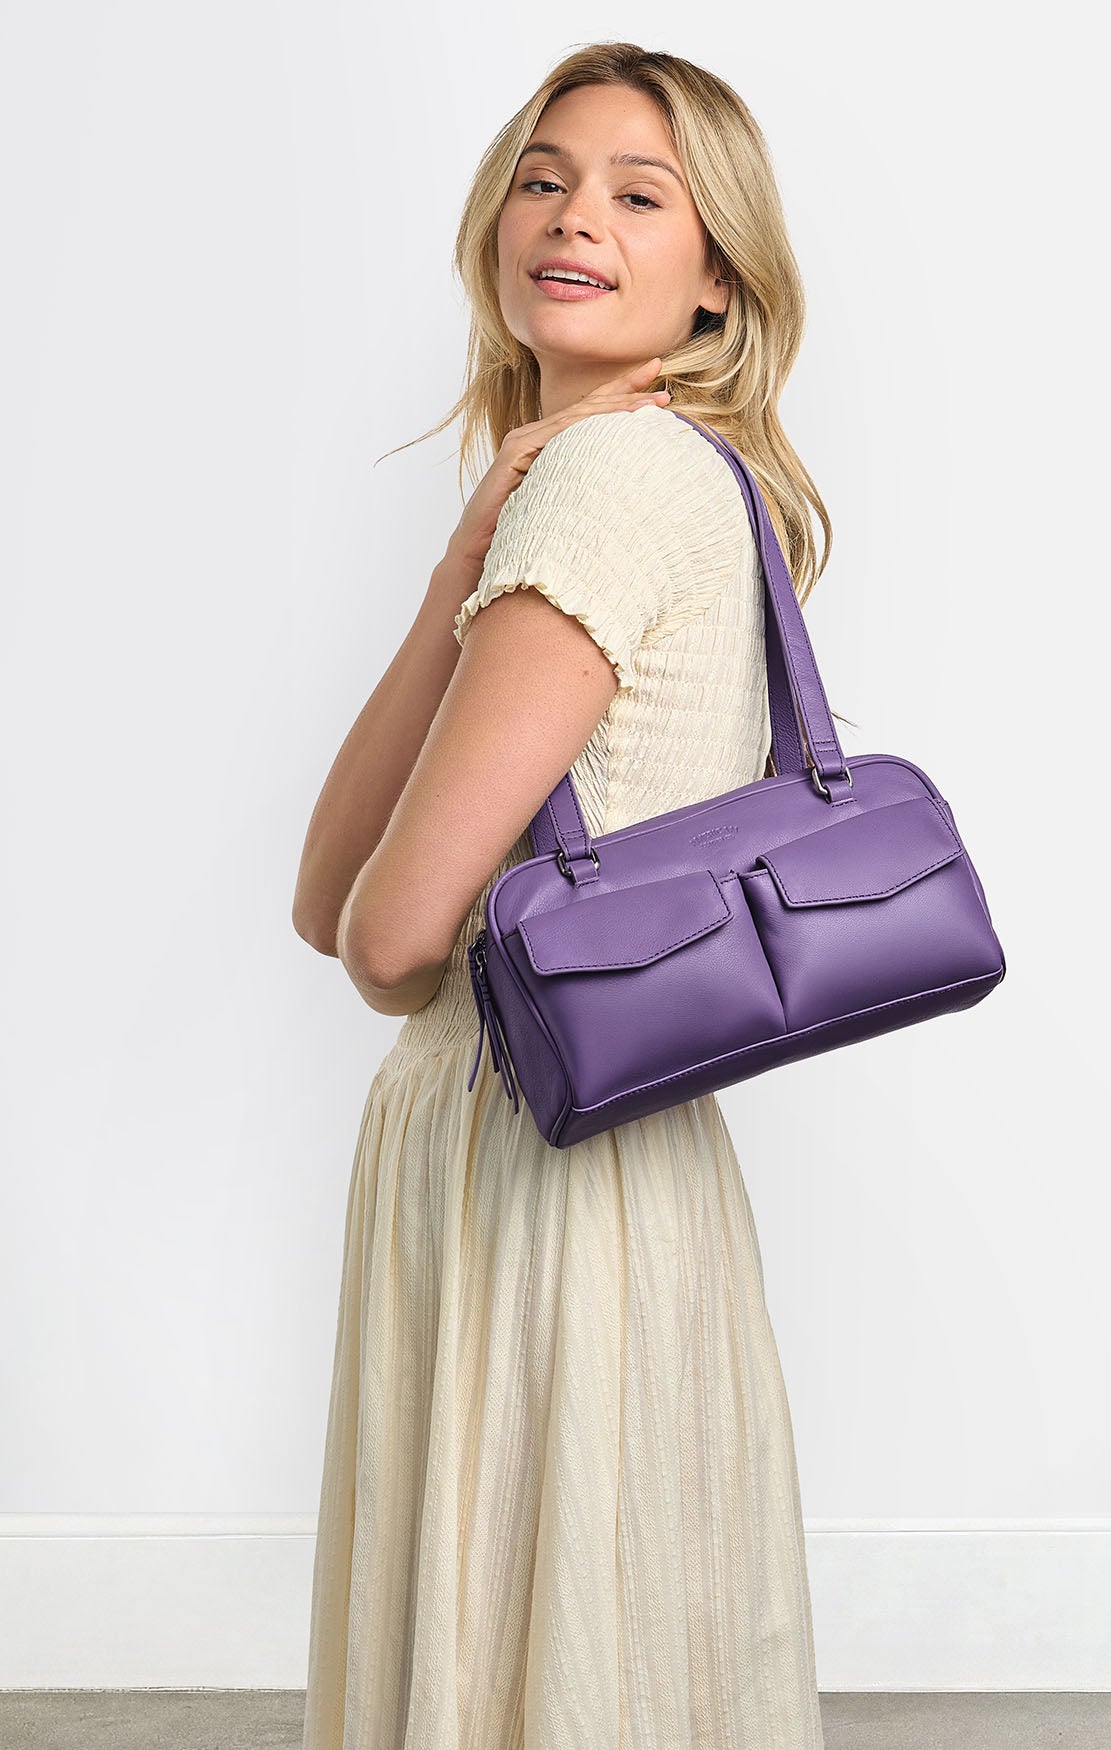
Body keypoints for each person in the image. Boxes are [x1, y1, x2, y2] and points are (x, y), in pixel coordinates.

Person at [293, 42, 833, 1750]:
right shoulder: (676, 480)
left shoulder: (610, 484)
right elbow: (330, 898)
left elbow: (382, 942)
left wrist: (512, 536)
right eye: (545, 174)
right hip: (632, 1161)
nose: (572, 215)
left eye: (637, 191)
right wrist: (464, 560)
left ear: (717, 279)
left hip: (520, 1162)